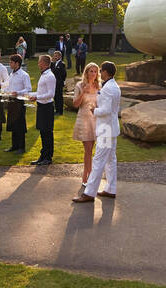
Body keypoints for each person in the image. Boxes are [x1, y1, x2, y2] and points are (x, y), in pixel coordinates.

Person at [73, 61, 120, 203]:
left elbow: (105, 110)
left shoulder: (107, 88)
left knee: (98, 160)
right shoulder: (115, 86)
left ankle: (89, 193)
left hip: (105, 129)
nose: (99, 72)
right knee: (111, 159)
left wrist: (95, 110)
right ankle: (111, 189)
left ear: (105, 72)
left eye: (101, 70)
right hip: (112, 128)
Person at [70, 62, 100, 188]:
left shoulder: (99, 86)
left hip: (96, 120)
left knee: (92, 150)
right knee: (88, 150)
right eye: (91, 71)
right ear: (86, 72)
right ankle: (86, 177)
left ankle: (89, 178)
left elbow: (101, 103)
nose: (93, 73)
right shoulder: (79, 85)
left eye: (95, 71)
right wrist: (83, 91)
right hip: (84, 119)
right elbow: (75, 104)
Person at [29, 54, 57, 166]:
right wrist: (29, 95)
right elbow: (41, 92)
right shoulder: (44, 75)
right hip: (41, 106)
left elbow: (51, 94)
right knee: (42, 132)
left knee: (47, 133)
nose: (38, 63)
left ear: (44, 63)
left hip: (47, 107)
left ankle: (48, 157)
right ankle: (43, 155)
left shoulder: (50, 76)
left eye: (39, 61)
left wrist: (37, 97)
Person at [3, 54, 32, 153]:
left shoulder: (24, 75)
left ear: (17, 63)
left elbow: (28, 88)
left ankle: (21, 147)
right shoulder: (11, 74)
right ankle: (14, 146)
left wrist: (18, 92)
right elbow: (9, 87)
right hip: (11, 101)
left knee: (20, 124)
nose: (10, 64)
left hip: (19, 101)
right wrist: (3, 91)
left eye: (11, 62)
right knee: (12, 123)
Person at [50, 51, 68, 116]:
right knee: (55, 97)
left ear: (60, 56)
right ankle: (56, 110)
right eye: (54, 56)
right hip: (54, 83)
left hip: (59, 83)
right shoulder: (53, 64)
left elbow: (64, 74)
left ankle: (60, 111)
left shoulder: (62, 64)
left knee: (59, 97)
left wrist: (61, 81)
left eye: (56, 56)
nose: (55, 57)